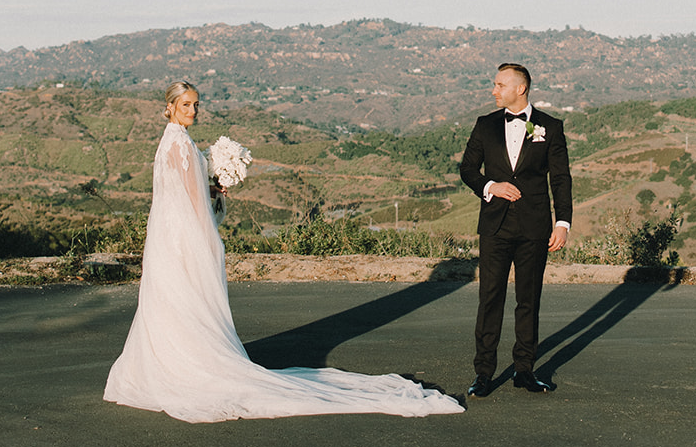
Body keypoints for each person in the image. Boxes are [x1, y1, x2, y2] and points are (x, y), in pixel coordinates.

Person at [104, 81, 463, 422]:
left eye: (196, 104)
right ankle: (192, 364)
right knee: (189, 297)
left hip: (167, 238)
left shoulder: (170, 142)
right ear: (169, 108)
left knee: (173, 300)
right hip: (185, 237)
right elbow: (191, 200)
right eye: (186, 105)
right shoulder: (180, 145)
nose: (193, 110)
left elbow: (177, 195)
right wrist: (210, 232)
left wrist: (212, 188)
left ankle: (168, 362)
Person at [459, 63, 572, 397]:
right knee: (489, 299)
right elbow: (467, 169)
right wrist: (491, 185)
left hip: (535, 228)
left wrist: (562, 223)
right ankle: (483, 373)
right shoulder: (485, 125)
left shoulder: (550, 126)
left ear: (520, 88)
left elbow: (561, 178)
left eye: (499, 85)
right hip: (494, 227)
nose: (493, 90)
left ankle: (525, 370)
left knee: (529, 300)